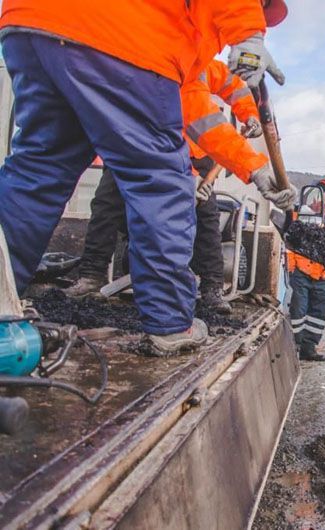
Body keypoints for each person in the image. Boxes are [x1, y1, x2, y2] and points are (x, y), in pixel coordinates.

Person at [0, 0, 287, 354]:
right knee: (160, 184)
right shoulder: (169, 30)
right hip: (119, 35)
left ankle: (1, 300)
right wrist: (248, 34)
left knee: (37, 173)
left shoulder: (183, 45)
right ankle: (170, 323)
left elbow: (194, 109)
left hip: (34, 23)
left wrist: (252, 166)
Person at [65, 60, 289, 314]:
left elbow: (235, 86)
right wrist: (190, 181)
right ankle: (91, 276)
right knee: (107, 203)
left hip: (195, 152)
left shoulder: (203, 64)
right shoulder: (139, 61)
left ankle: (212, 288)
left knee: (206, 217)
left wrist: (248, 113)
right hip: (135, 147)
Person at [287, 180, 325, 361]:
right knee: (298, 310)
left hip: (324, 275)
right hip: (301, 271)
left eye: (323, 196)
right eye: (317, 196)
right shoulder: (297, 214)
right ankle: (295, 345)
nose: (319, 200)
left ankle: (309, 347)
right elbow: (289, 243)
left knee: (319, 314)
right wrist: (291, 266)